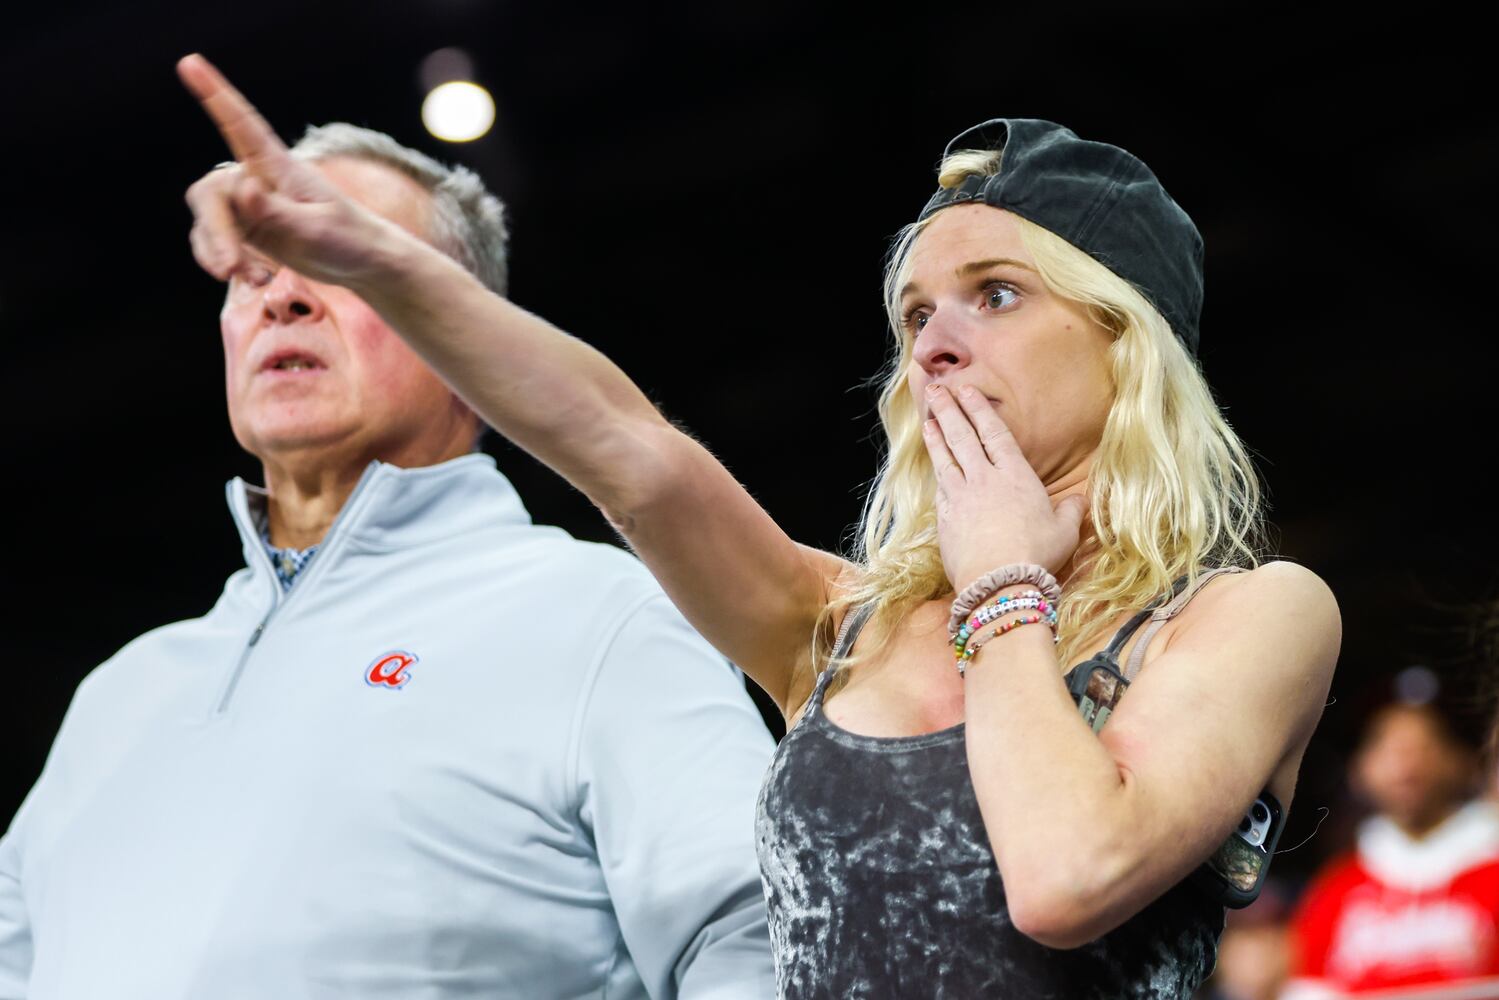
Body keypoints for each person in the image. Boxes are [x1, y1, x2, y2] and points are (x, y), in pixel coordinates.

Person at [172, 54, 1343, 998]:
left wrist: (1002, 583)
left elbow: (1066, 875)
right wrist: (374, 262)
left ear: (1123, 342)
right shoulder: (840, 624)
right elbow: (624, 447)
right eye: (913, 315)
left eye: (994, 294)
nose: (933, 344)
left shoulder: (1250, 617)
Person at [0, 102, 778, 998]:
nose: (282, 297)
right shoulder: (119, 695)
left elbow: (760, 941)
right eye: (253, 271)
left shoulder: (600, 617)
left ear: (469, 337)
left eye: (336, 263)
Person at [1283, 699, 1499, 996]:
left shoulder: (1492, 870)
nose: (1406, 764)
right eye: (1390, 747)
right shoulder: (1335, 889)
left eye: (1424, 747)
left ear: (1461, 761)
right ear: (1360, 769)